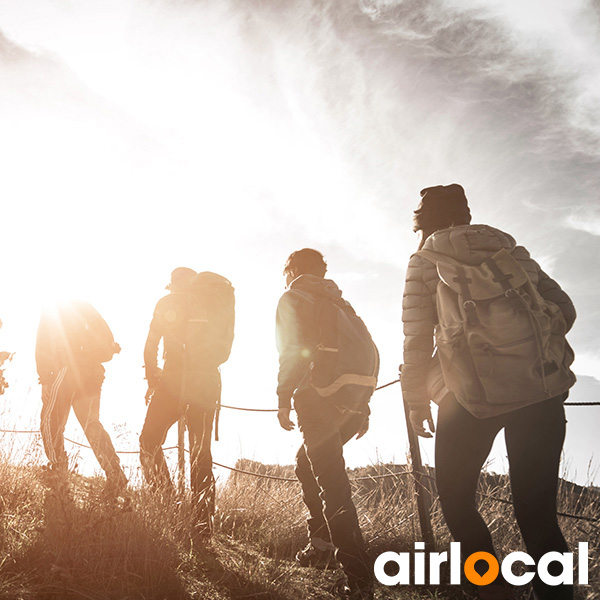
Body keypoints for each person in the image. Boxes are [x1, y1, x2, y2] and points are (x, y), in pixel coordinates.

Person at [402, 184, 576, 600]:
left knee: (458, 502)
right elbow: (565, 309)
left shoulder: (424, 259)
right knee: (538, 516)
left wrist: (415, 398)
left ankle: (494, 591)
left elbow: (415, 339)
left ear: (422, 220)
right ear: (466, 214)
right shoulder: (510, 251)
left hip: (465, 398)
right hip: (540, 390)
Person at [276, 248, 379, 600]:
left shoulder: (294, 297)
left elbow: (292, 349)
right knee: (307, 464)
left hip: (316, 397)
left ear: (290, 270)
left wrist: (283, 397)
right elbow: (364, 351)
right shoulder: (339, 301)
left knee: (331, 481)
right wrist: (364, 407)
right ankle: (320, 544)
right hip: (351, 399)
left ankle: (358, 573)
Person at [140, 267, 234, 537]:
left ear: (173, 284)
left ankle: (166, 504)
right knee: (201, 452)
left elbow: (150, 345)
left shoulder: (168, 303)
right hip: (207, 383)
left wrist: (152, 379)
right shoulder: (212, 304)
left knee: (148, 442)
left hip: (172, 381)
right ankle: (203, 523)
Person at [35, 300, 127, 494]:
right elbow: (108, 340)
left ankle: (58, 472)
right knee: (91, 423)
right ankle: (115, 475)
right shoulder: (86, 307)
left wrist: (44, 378)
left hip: (67, 370)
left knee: (50, 421)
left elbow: (43, 342)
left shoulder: (53, 305)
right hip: (93, 372)